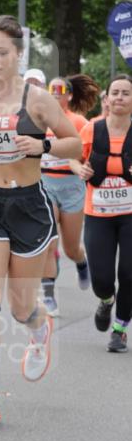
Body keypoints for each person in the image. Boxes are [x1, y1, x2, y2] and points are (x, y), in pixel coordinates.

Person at [0, 15, 81, 425]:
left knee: (22, 308)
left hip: (27, 207)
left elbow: (73, 142)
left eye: (1, 53)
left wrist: (41, 145)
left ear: (19, 54)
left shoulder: (37, 99)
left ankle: (38, 330)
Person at [74, 74, 132, 352]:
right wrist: (80, 169)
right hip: (98, 214)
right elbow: (72, 158)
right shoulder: (92, 129)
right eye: (116, 93)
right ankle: (106, 300)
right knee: (102, 278)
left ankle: (119, 330)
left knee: (130, 275)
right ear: (107, 99)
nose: (120, 97)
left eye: (126, 93)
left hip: (131, 216)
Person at [39, 74, 99, 313]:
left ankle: (82, 263)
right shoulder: (38, 120)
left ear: (70, 95)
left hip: (72, 185)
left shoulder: (79, 122)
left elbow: (89, 155)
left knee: (71, 247)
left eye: (60, 90)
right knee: (49, 240)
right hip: (45, 183)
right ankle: (48, 293)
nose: (55, 94)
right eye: (51, 90)